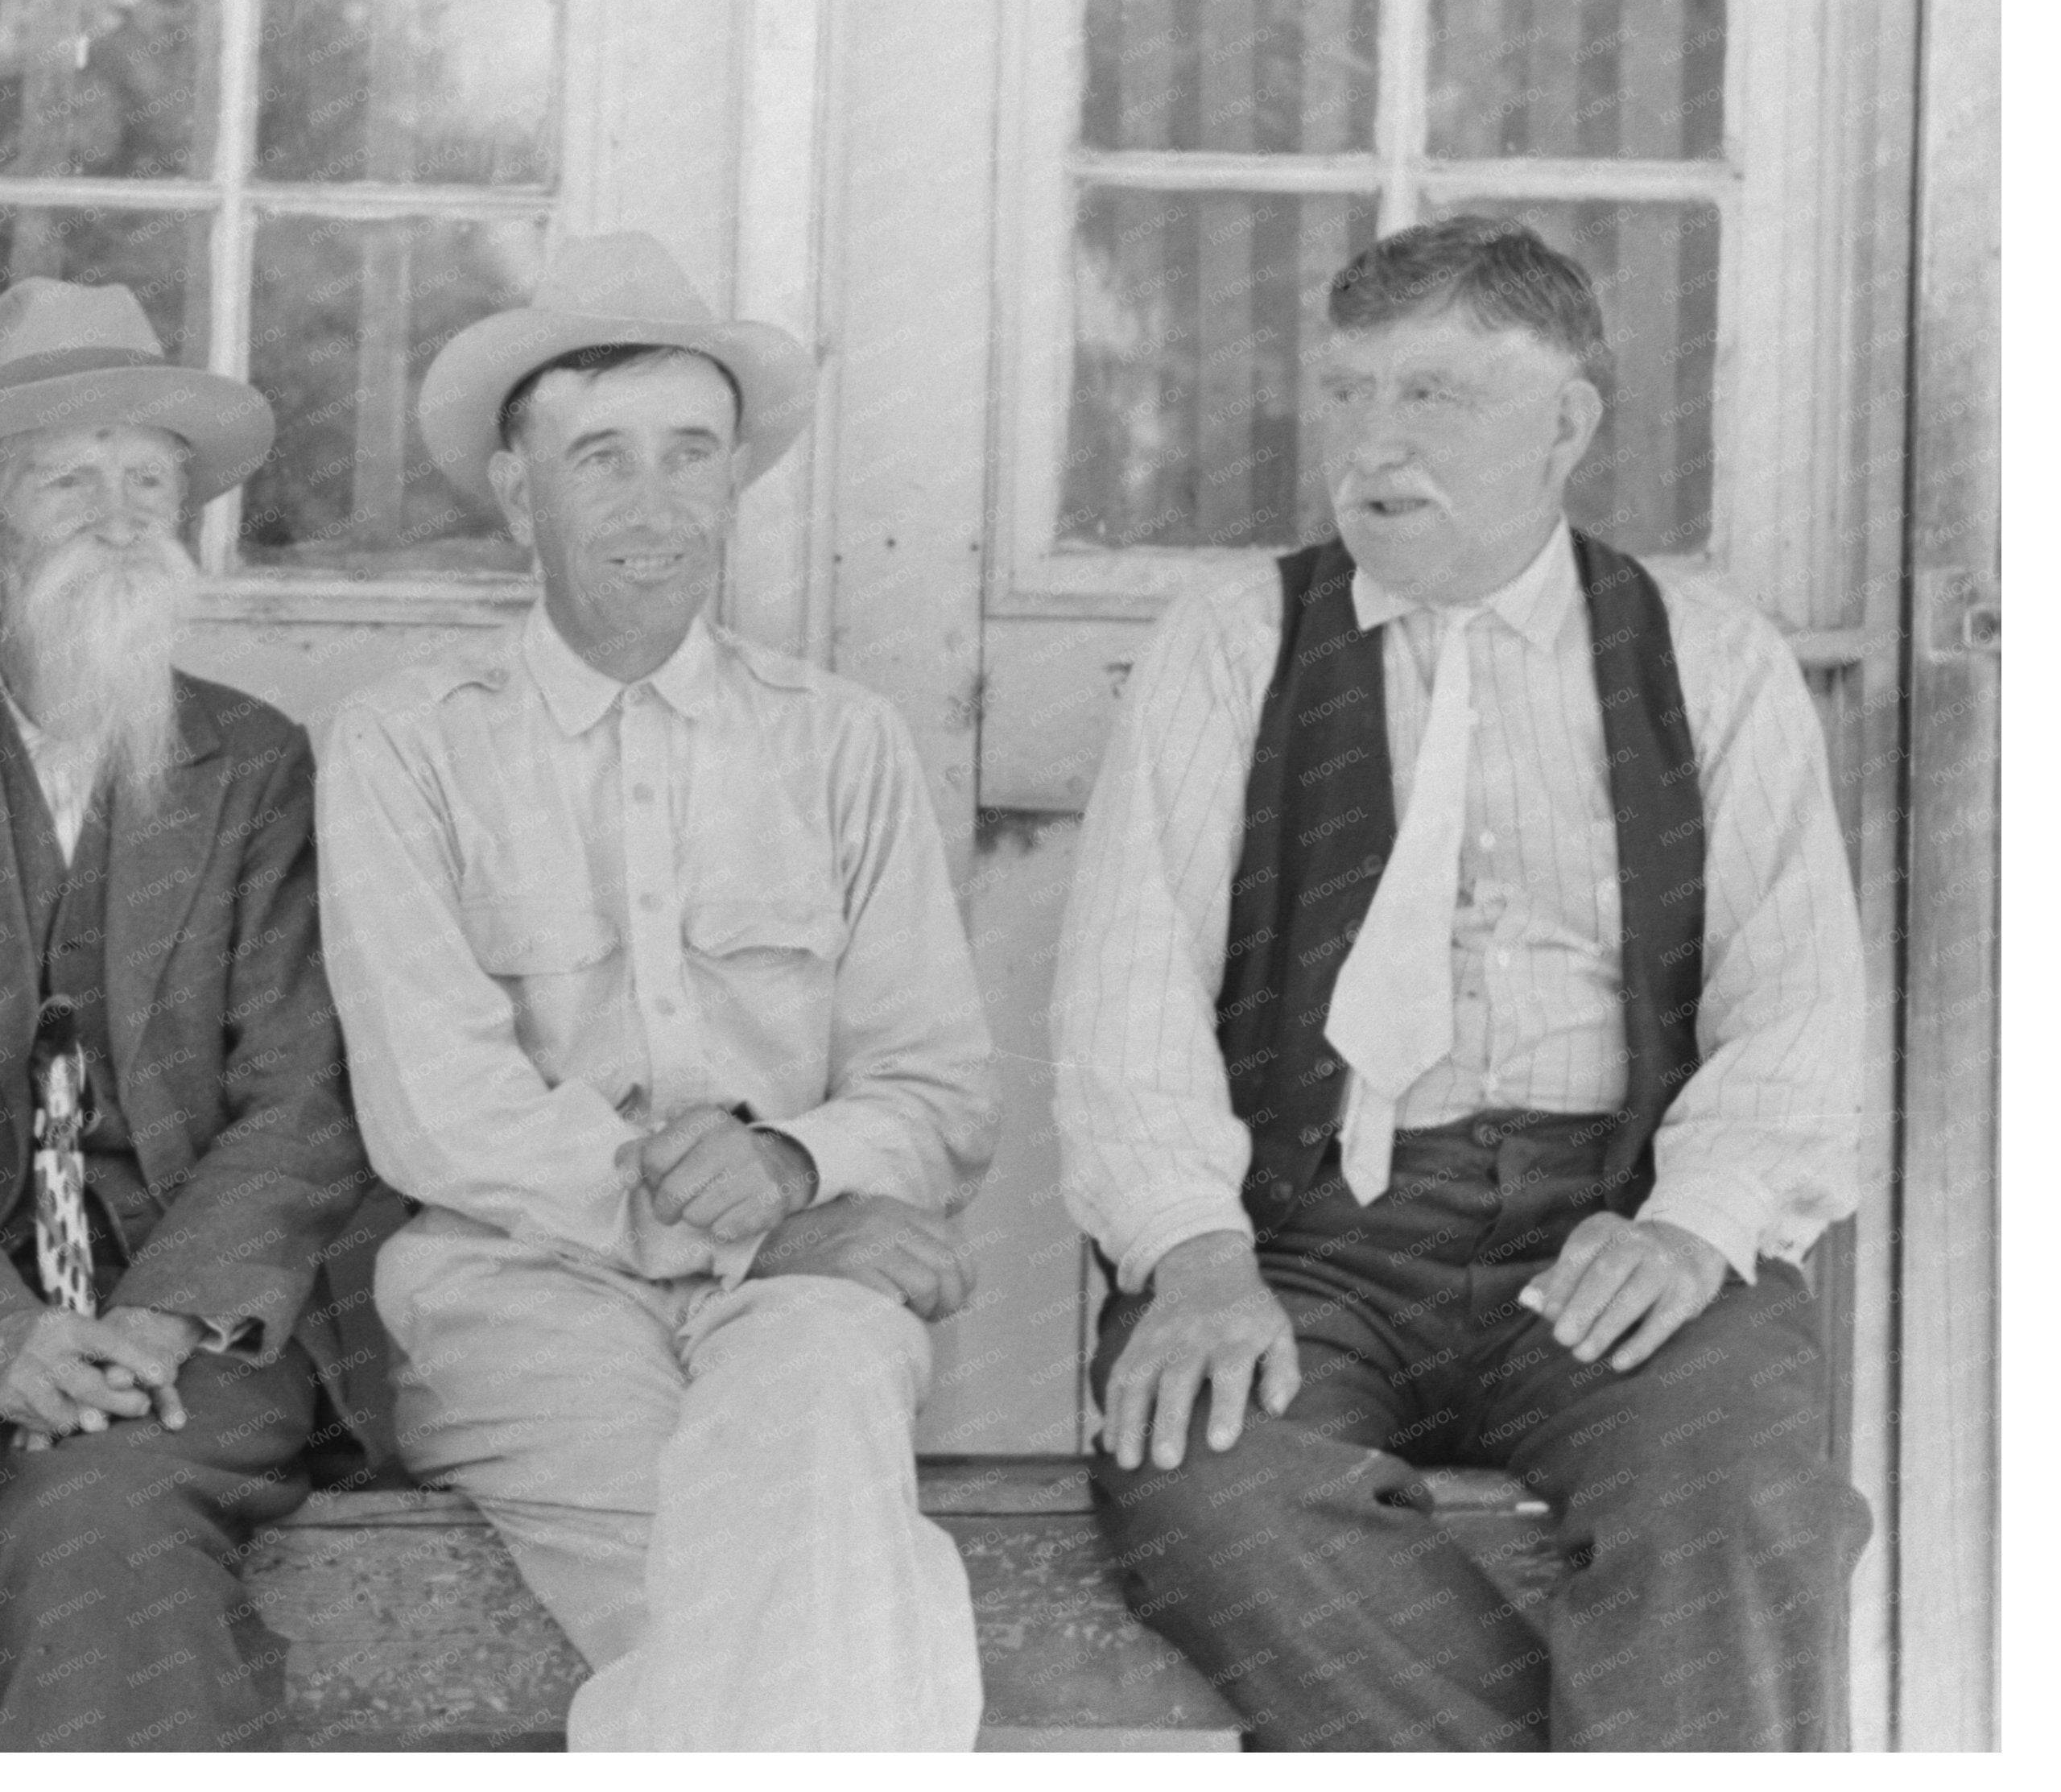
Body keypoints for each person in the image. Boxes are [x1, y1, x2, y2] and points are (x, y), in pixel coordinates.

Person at [1052, 216, 1870, 1750]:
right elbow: (1126, 997)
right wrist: (1194, 1253)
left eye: (1433, 394)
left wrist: (1699, 1224)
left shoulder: (1708, 655)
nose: (1376, 441)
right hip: (1316, 1235)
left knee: (1740, 1485)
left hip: (1614, 1222)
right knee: (1206, 1481)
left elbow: (1798, 1003)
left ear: (1567, 420)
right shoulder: (1235, 643)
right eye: (1351, 393)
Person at [316, 233, 1000, 1750]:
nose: (653, 502)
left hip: (805, 1275)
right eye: (600, 457)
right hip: (523, 1290)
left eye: (692, 453)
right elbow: (440, 1110)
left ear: (738, 476)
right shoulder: (407, 746)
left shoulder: (841, 742)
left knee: (791, 1518)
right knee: (792, 1601)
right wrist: (742, 1202)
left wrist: (791, 1166)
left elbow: (939, 1090)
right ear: (516, 490)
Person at [0, 279, 381, 1750]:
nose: (127, 512)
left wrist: (151, 1326)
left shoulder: (256, 763)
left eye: (154, 479)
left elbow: (303, 1095)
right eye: (72, 477)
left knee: (94, 1508)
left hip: (200, 1349)